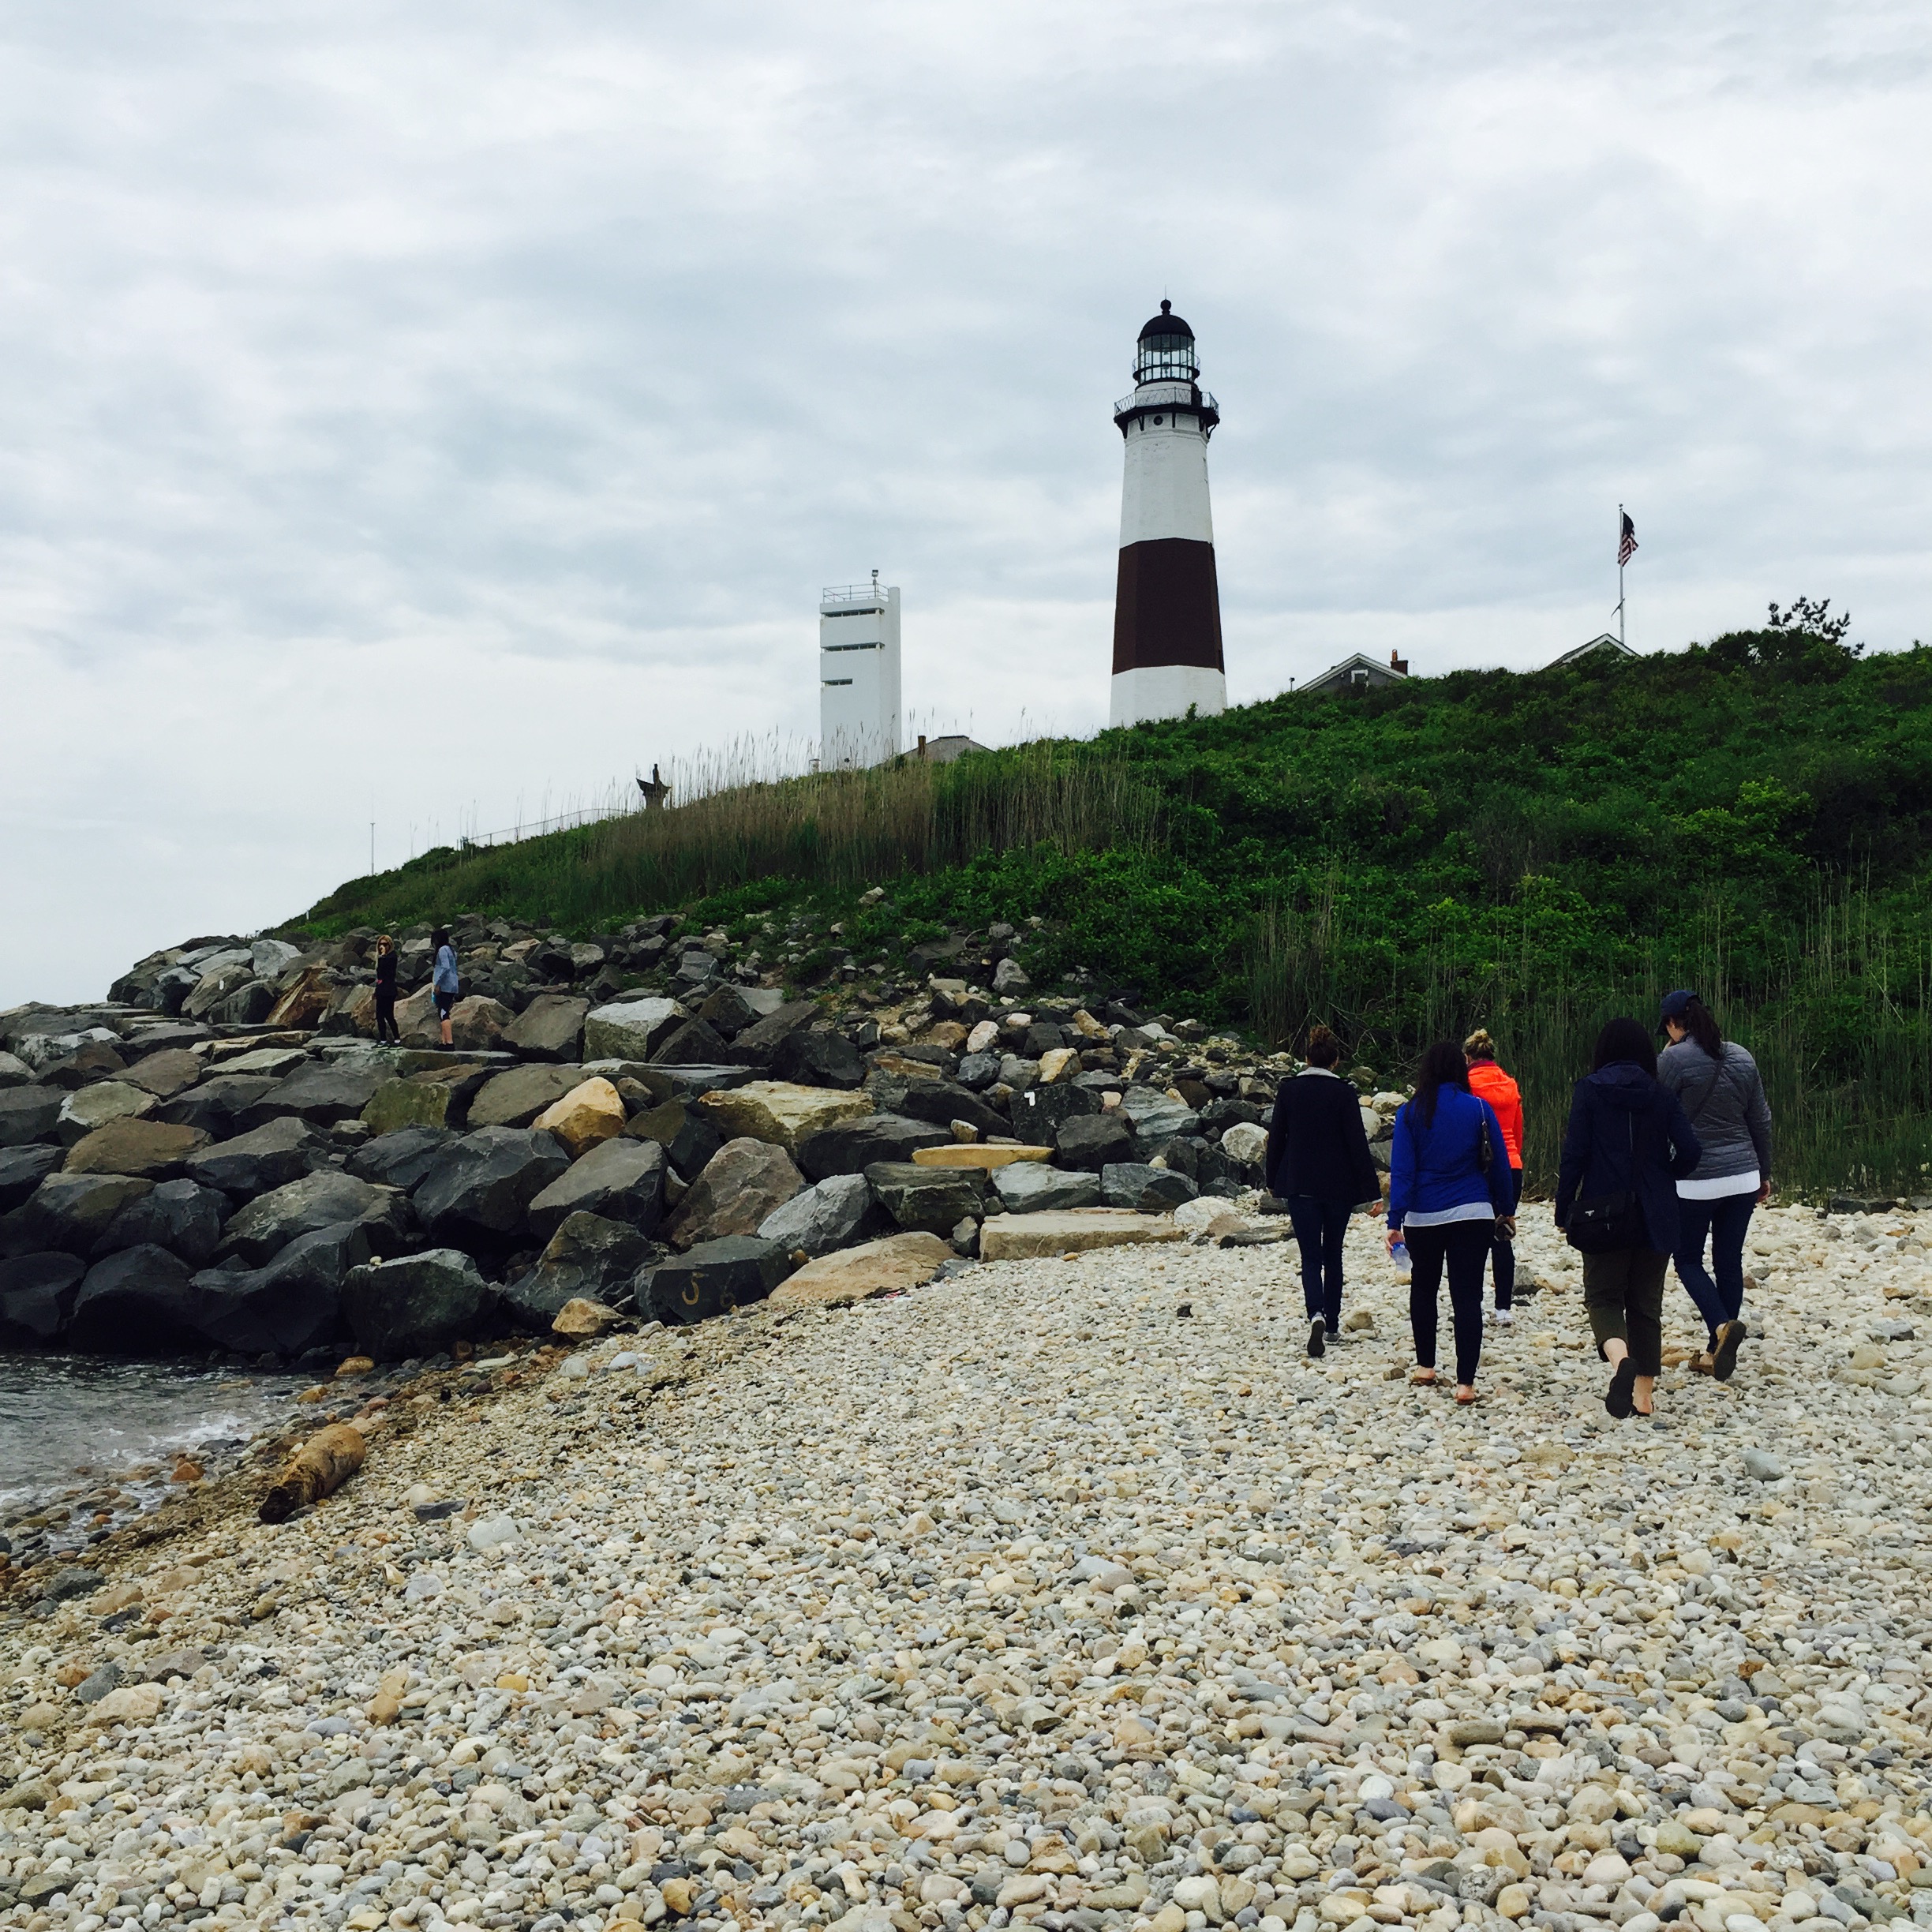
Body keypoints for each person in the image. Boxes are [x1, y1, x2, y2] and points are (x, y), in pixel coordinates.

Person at [1555, 1017, 1702, 1420]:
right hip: (1657, 1212)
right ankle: (1644, 1398)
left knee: (1603, 1296)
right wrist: (1664, 1174)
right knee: (1645, 1304)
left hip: (1603, 1213)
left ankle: (1621, 1363)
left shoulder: (1589, 1090)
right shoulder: (1661, 1094)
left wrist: (1564, 1207)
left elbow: (1575, 1155)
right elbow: (1690, 1150)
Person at [1387, 1041, 1515, 1404]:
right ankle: (1465, 1384)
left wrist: (1394, 1219)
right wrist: (1505, 1208)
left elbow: (1402, 1171)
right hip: (1472, 1211)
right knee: (1467, 1296)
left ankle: (1426, 1366)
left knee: (1424, 1289)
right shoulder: (1478, 1108)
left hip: (1422, 1215)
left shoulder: (1410, 1112)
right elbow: (1500, 1164)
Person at [1657, 990, 1773, 1380]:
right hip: (1743, 1173)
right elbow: (1761, 1120)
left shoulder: (1672, 1059)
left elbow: (1655, 1115)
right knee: (1729, 1260)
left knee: (1687, 1258)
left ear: (1674, 1024)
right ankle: (1715, 1352)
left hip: (1696, 1178)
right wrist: (1765, 1173)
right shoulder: (1741, 1055)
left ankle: (1722, 1328)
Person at [1264, 1025, 1383, 1358]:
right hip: (1338, 1186)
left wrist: (1273, 1178)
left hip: (1300, 1183)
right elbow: (1357, 1144)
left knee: (1309, 1256)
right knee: (1334, 1254)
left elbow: (1278, 1138)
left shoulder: (1289, 1090)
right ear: (1336, 1061)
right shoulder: (1345, 1093)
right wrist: (1372, 1192)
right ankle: (1331, 1325)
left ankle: (1314, 1312)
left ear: (1306, 1058)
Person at [1462, 1029, 1525, 1327]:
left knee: (1472, 1238)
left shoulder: (1468, 1086)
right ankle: (1504, 1309)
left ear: (1469, 1057)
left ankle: (1471, 1302)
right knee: (1503, 1236)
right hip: (1511, 1164)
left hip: (1480, 1167)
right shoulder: (1510, 1084)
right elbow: (1517, 1129)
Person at [431, 927, 459, 1048]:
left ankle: (449, 1042)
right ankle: (444, 1042)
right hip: (453, 984)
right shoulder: (451, 950)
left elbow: (445, 967)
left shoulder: (442, 950)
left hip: (445, 985)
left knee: (443, 1012)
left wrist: (438, 984)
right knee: (442, 1011)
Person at [373, 934, 399, 1044]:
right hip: (381, 989)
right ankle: (383, 1039)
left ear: (390, 945)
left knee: (389, 1015)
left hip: (389, 989)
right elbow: (380, 974)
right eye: (380, 945)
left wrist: (383, 955)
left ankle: (397, 1038)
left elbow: (387, 972)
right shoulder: (381, 959)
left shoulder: (392, 957)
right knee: (379, 1016)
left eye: (385, 944)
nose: (382, 947)